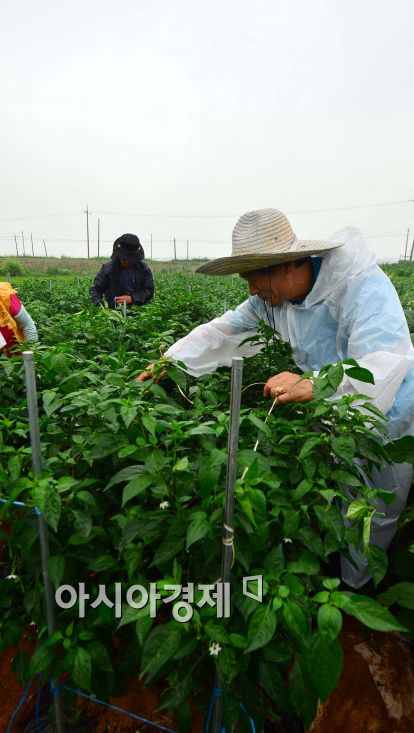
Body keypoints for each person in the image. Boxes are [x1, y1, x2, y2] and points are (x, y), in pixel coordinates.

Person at [138, 208, 414, 588]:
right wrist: (169, 361)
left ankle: (359, 592)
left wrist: (313, 382)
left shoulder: (358, 285)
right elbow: (221, 331)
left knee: (372, 505)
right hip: (327, 404)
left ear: (287, 264)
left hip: (386, 411)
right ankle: (331, 571)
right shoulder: (271, 300)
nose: (251, 290)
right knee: (333, 493)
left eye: (254, 279)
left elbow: (385, 361)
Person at [89, 233, 154, 309]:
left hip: (138, 313)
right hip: (113, 314)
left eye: (130, 260)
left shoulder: (143, 269)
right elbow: (95, 290)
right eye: (124, 259)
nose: (126, 262)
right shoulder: (109, 268)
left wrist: (132, 298)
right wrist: (101, 307)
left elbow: (149, 290)